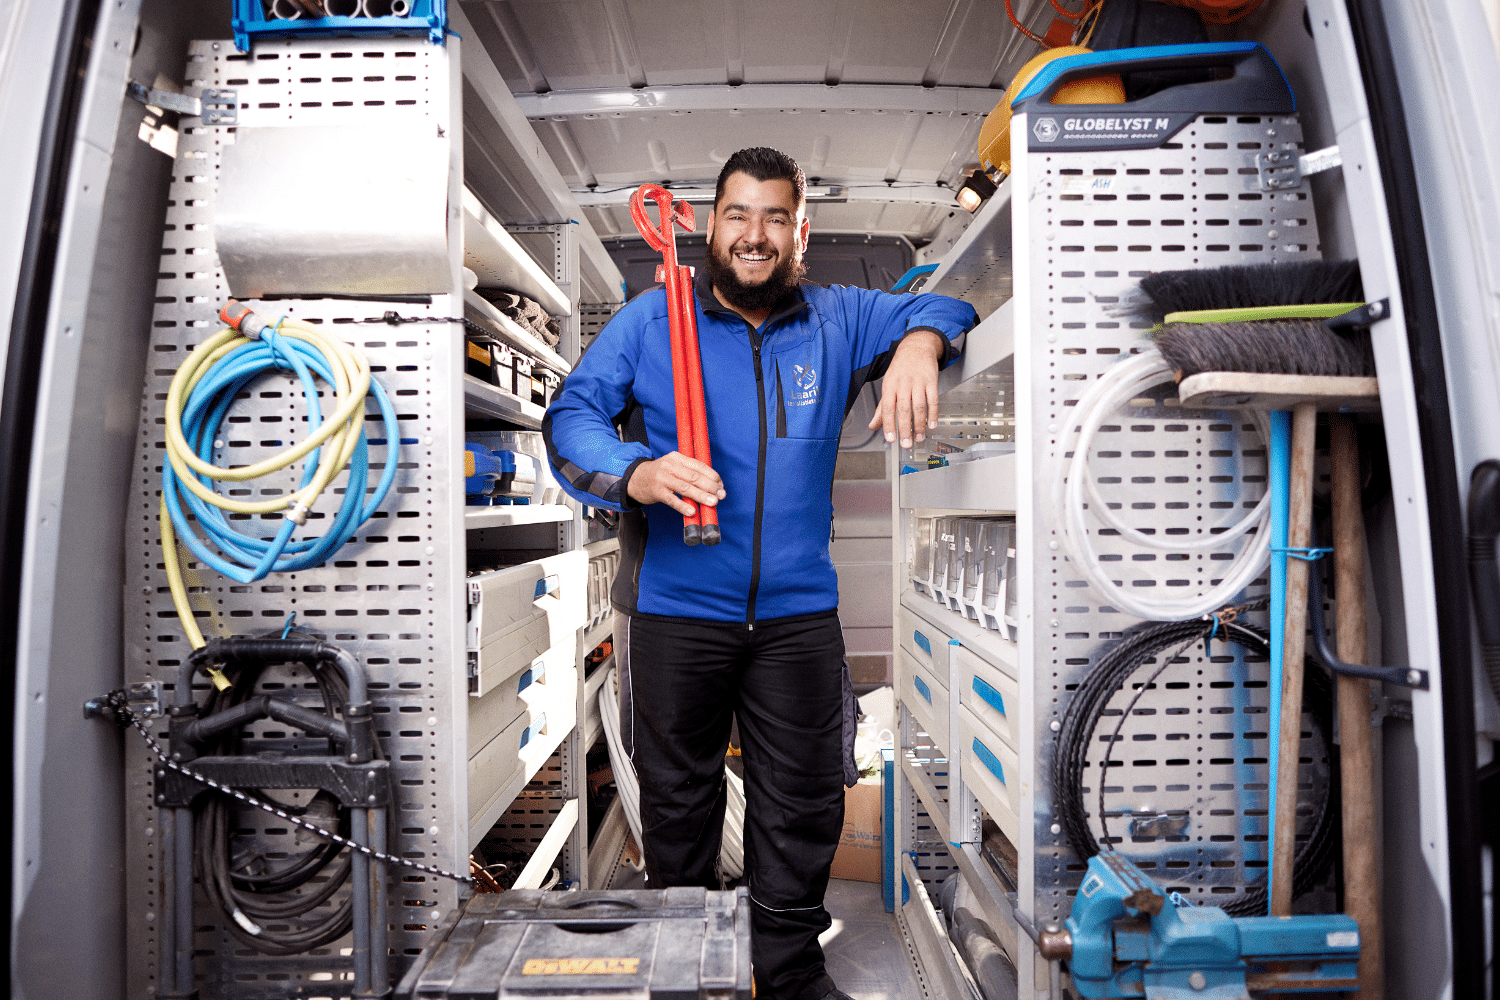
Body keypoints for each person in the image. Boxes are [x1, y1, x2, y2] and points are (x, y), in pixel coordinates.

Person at [543, 147, 978, 1000]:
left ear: (799, 230)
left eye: (775, 217)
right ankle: (685, 962)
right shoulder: (649, 320)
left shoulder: (839, 316)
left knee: (807, 798)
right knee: (678, 803)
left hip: (796, 613)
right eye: (739, 215)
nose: (755, 234)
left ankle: (787, 971)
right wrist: (637, 473)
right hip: (674, 610)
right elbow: (571, 419)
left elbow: (945, 299)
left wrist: (921, 342)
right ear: (711, 225)